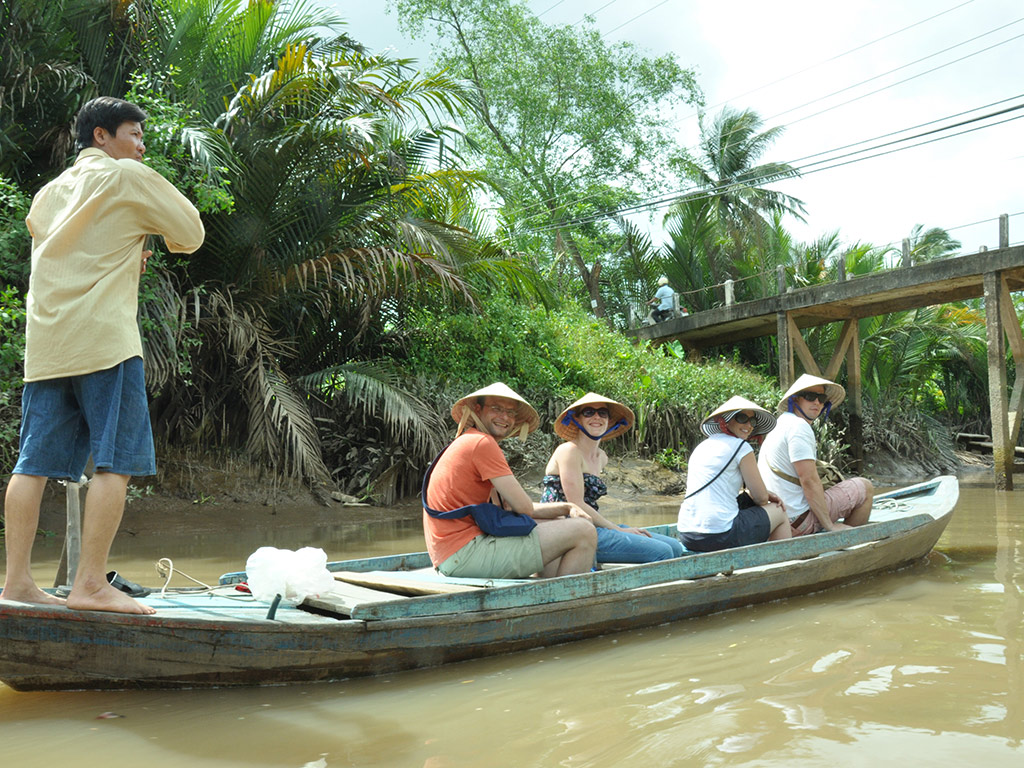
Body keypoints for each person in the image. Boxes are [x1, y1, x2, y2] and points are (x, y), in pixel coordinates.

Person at [1, 97, 205, 615]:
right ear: (101, 136)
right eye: (133, 134)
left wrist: (127, 240)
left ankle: (17, 583)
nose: (141, 145)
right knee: (118, 461)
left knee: (32, 466)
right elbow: (191, 233)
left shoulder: (49, 193)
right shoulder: (127, 178)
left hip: (48, 348)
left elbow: (70, 247)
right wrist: (144, 232)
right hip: (105, 342)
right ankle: (89, 583)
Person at [422, 382, 597, 579]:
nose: (504, 417)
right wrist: (567, 509)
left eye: (511, 413)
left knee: (554, 520)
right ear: (477, 410)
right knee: (584, 530)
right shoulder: (482, 443)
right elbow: (524, 508)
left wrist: (566, 508)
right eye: (496, 409)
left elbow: (510, 508)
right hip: (463, 555)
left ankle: (549, 587)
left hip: (448, 555)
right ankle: (565, 601)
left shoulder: (469, 440)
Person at [540, 393, 684, 563]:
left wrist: (616, 529)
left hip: (592, 525)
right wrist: (617, 529)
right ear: (577, 419)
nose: (596, 417)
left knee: (675, 546)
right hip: (569, 530)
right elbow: (576, 504)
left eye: (602, 413)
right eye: (588, 412)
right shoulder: (569, 451)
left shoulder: (601, 457)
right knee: (663, 553)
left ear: (609, 421)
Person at [757, 374, 874, 535]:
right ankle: (844, 540)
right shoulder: (799, 427)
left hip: (777, 521)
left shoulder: (780, 424)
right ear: (796, 400)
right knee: (865, 487)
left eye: (821, 398)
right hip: (798, 521)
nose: (817, 402)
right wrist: (830, 526)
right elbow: (809, 481)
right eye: (810, 396)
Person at [677, 397, 792, 552]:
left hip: (687, 534)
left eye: (752, 421)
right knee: (780, 511)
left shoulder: (703, 446)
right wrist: (765, 496)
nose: (748, 425)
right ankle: (782, 563)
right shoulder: (741, 447)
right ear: (727, 421)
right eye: (742, 418)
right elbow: (761, 498)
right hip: (719, 535)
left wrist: (763, 495)